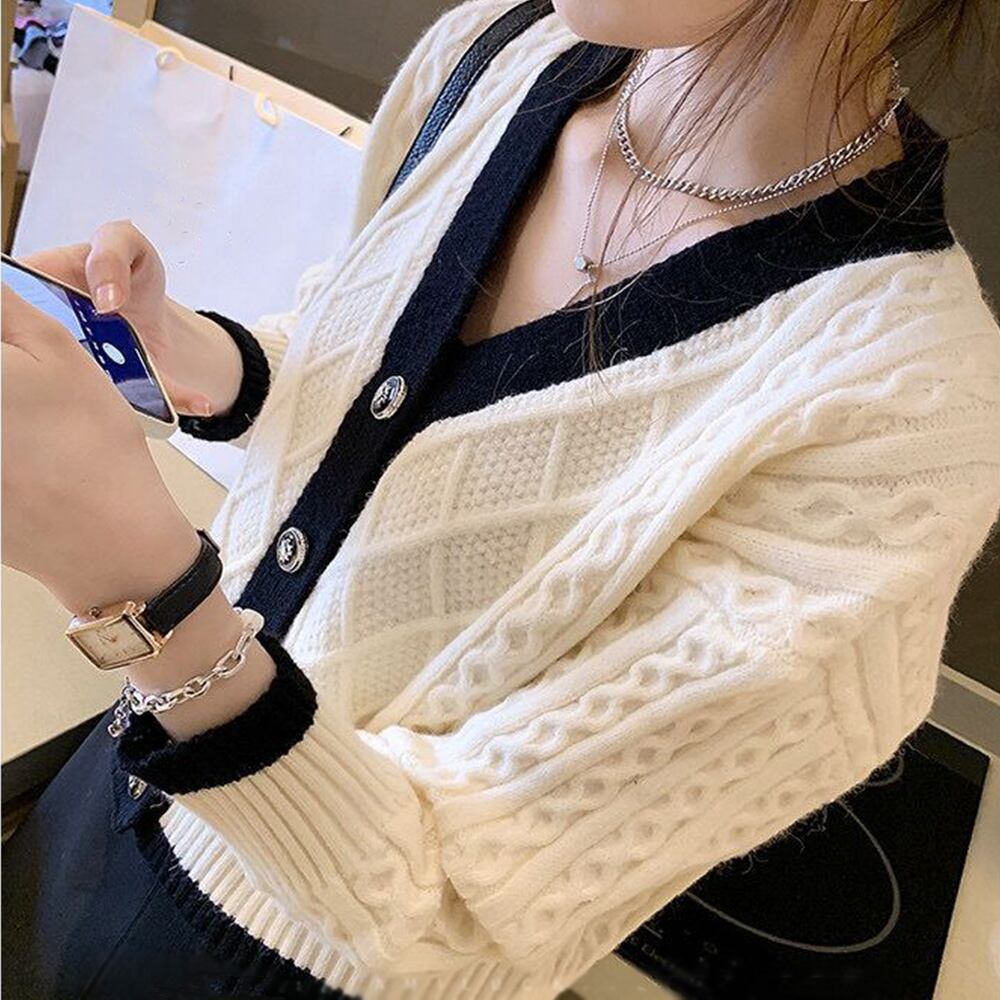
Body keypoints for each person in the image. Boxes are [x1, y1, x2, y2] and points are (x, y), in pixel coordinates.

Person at [3, 1, 999, 997]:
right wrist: (182, 353)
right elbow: (358, 364)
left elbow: (440, 902)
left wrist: (144, 592)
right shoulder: (495, 52)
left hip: (291, 963)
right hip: (135, 764)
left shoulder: (909, 409)